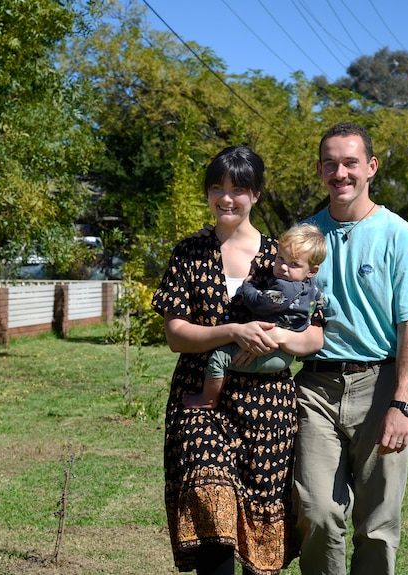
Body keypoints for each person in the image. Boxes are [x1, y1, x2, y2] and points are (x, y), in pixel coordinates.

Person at [151, 146, 324, 575]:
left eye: (238, 189)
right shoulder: (189, 253)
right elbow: (176, 335)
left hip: (267, 405)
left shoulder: (280, 257)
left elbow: (316, 333)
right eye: (217, 188)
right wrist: (231, 331)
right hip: (201, 399)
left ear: (256, 195)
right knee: (212, 513)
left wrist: (283, 336)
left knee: (261, 527)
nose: (226, 198)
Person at [293, 122, 408, 575]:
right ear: (319, 171)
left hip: (379, 386)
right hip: (314, 388)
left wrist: (403, 402)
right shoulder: (303, 237)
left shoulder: (398, 235)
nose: (340, 173)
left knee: (377, 525)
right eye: (330, 164)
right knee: (317, 513)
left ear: (370, 168)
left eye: (350, 163)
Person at [182, 223, 327, 410]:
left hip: (272, 351)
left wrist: (247, 286)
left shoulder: (286, 287)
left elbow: (260, 303)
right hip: (285, 350)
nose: (283, 267)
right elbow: (321, 302)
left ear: (312, 270)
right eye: (280, 258)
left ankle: (208, 399)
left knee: (219, 358)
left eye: (294, 264)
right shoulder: (311, 286)